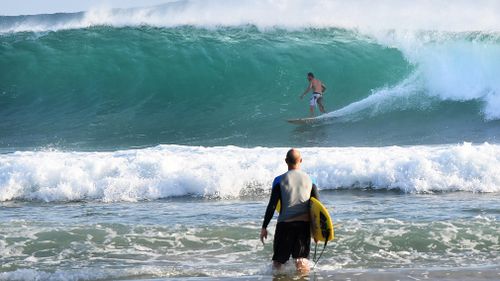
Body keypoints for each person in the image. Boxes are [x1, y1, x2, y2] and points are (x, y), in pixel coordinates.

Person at [260, 149, 319, 273]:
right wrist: (316, 231)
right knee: (301, 261)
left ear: (286, 161)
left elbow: (272, 205)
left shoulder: (278, 180)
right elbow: (316, 207)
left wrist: (264, 227)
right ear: (301, 161)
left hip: (285, 225)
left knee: (278, 262)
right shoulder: (311, 180)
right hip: (303, 226)